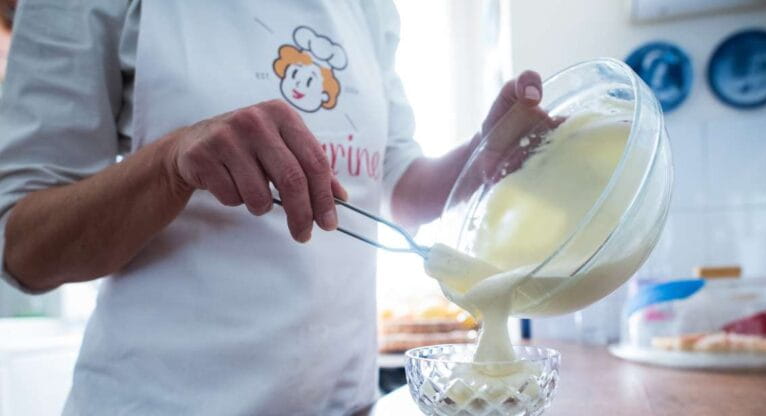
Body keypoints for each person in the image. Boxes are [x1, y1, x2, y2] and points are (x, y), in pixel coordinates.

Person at [0, 1, 543, 414]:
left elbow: (400, 185)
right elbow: (24, 250)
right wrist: (173, 161)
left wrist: (485, 151)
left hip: (344, 404)